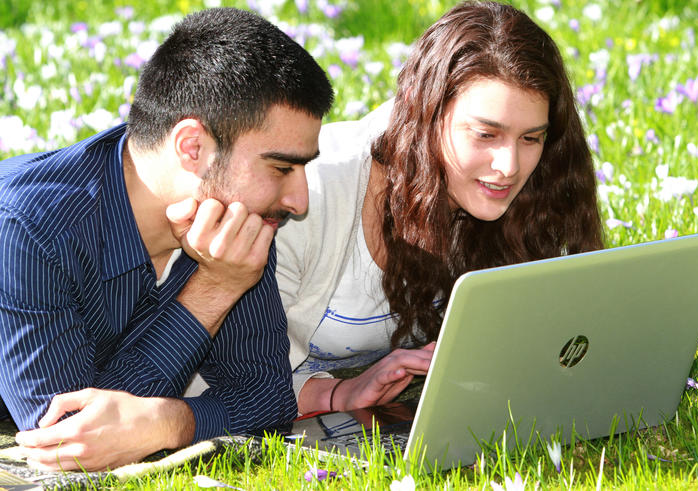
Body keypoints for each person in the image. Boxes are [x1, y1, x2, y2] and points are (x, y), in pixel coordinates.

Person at [0, 7, 333, 471]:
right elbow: (66, 440)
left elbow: (268, 398)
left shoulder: (235, 212)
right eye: (281, 168)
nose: (297, 200)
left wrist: (168, 423)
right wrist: (214, 290)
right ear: (192, 147)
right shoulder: (30, 228)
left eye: (303, 168)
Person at [276, 0, 603, 415]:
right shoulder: (310, 194)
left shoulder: (528, 191)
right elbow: (217, 378)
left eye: (531, 138)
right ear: (425, 111)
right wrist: (335, 394)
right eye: (486, 134)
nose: (509, 168)